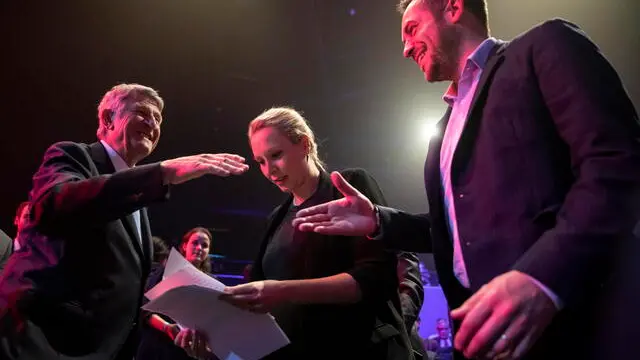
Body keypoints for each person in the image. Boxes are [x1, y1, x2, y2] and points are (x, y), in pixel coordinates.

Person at [292, 1, 640, 359]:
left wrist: (544, 277)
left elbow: (617, 162)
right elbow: (455, 232)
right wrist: (379, 220)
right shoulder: (442, 129)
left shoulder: (544, 47)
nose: (406, 48)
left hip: (577, 323)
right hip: (486, 338)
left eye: (412, 29)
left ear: (453, 8)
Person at [0, 83, 248, 360]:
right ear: (108, 119)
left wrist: (183, 326)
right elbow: (55, 204)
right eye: (142, 112)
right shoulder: (72, 155)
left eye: (158, 119)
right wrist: (162, 172)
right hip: (46, 344)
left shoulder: (137, 199)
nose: (152, 123)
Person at [220, 107, 418, 359]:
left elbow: (375, 278)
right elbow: (256, 295)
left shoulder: (348, 187)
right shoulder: (276, 218)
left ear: (304, 144)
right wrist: (212, 327)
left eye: (276, 155)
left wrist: (282, 290)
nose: (270, 171)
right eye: (261, 162)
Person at [137, 227, 217, 360]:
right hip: (158, 347)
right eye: (195, 243)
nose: (199, 248)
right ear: (184, 246)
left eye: (204, 245)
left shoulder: (212, 283)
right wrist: (167, 328)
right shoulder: (168, 271)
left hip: (186, 353)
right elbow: (146, 310)